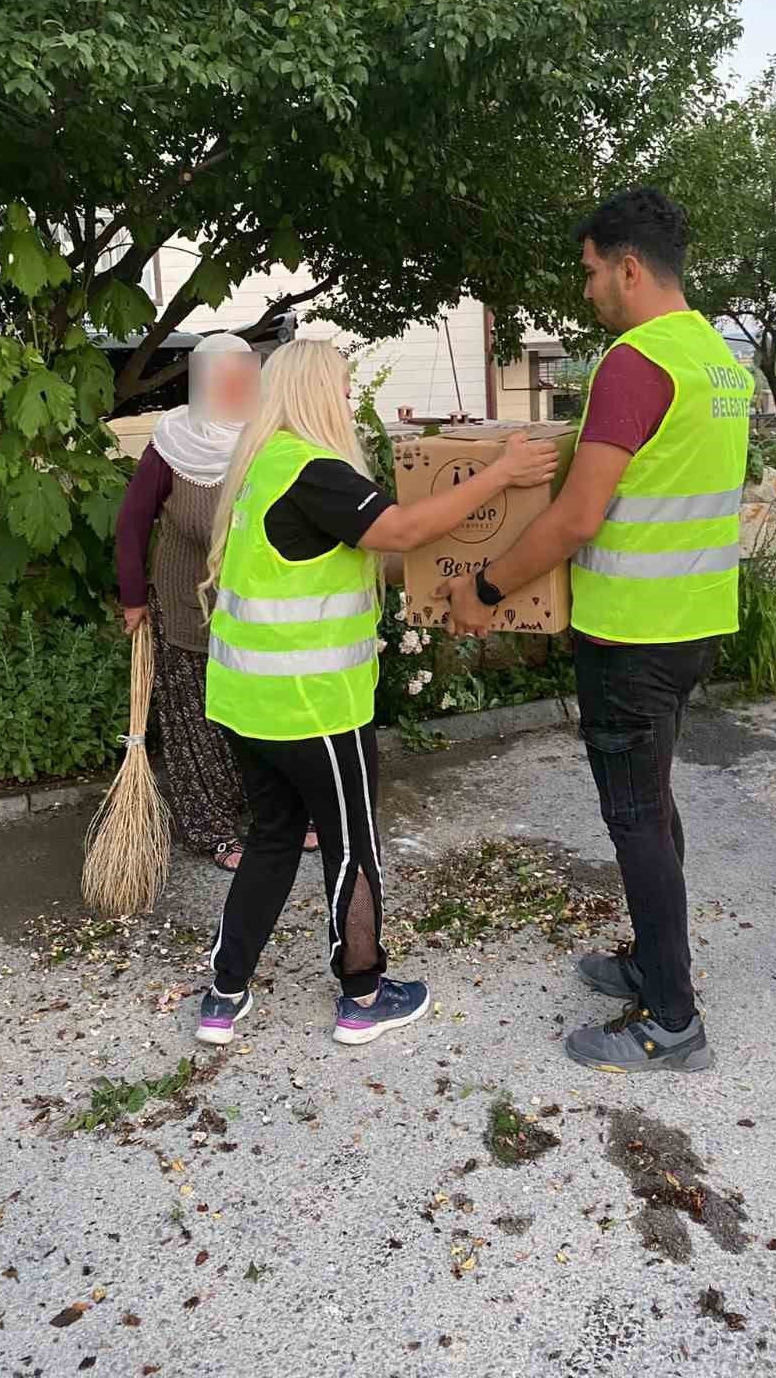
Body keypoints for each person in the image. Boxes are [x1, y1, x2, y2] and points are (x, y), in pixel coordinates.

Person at [437, 187, 753, 1074]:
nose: (585, 293)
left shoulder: (635, 362)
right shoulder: (719, 360)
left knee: (636, 819)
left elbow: (579, 518)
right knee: (652, 804)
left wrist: (485, 588)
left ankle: (674, 1021)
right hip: (691, 625)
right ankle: (655, 964)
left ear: (626, 266)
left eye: (588, 274)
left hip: (631, 636)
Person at [193, 339, 559, 1047]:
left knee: (271, 841)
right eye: (341, 384)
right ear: (317, 395)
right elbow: (405, 528)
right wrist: (504, 471)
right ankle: (362, 993)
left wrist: (441, 579)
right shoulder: (316, 472)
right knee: (352, 845)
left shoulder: (263, 470)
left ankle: (223, 994)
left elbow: (357, 561)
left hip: (248, 707)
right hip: (317, 709)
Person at [115, 332, 318, 871]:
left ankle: (282, 815)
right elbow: (133, 523)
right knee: (196, 724)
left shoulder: (272, 438)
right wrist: (134, 598)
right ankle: (213, 829)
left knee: (267, 716)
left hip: (259, 612)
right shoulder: (172, 445)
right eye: (221, 380)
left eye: (242, 379)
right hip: (187, 608)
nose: (234, 390)